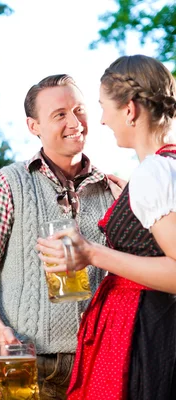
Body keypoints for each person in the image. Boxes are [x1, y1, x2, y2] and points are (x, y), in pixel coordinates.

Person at [0, 74, 116, 399]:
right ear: (34, 126)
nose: (75, 121)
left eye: (79, 109)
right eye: (59, 114)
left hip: (101, 360)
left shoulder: (113, 189)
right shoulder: (7, 183)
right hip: (29, 361)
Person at [37, 55, 176, 400]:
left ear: (129, 110)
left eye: (102, 107)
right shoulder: (164, 167)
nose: (100, 120)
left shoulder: (154, 173)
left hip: (144, 333)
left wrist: (92, 253)